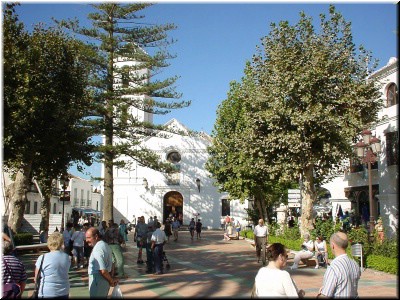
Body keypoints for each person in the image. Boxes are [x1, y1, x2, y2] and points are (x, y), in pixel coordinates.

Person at [317, 232, 361, 298]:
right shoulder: (355, 264)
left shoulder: (333, 268)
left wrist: (320, 294)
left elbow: (325, 296)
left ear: (332, 245)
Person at [34, 232, 70, 298]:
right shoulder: (67, 257)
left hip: (46, 292)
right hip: (64, 291)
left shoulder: (42, 258)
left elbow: (36, 278)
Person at [86, 227, 119, 298]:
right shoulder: (105, 245)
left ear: (96, 237)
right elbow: (112, 263)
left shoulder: (97, 250)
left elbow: (102, 270)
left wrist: (111, 280)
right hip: (104, 280)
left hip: (98, 280)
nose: (86, 240)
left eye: (89, 238)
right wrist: (111, 277)